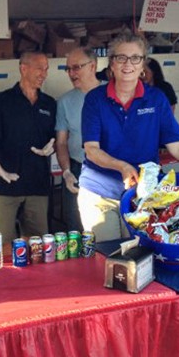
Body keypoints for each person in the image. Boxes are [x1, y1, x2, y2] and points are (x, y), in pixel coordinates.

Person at [79, 31, 179, 242]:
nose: (128, 64)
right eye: (121, 57)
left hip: (143, 195)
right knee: (110, 256)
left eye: (135, 58)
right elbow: (91, 150)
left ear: (143, 63)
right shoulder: (95, 99)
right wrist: (123, 166)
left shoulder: (156, 99)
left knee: (143, 260)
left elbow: (178, 147)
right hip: (100, 193)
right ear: (111, 63)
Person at [0, 51, 56, 252]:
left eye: (47, 69)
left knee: (39, 246)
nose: (44, 74)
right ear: (23, 68)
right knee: (4, 245)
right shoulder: (3, 100)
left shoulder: (49, 103)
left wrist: (53, 146)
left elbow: (57, 138)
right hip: (7, 183)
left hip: (38, 184)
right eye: (39, 68)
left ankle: (37, 283)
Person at [55, 47, 101, 232]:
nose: (71, 73)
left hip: (111, 169)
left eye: (76, 67)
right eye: (68, 69)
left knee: (110, 228)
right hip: (78, 169)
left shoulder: (112, 92)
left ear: (92, 66)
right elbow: (61, 142)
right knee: (76, 227)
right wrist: (66, 172)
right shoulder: (65, 101)